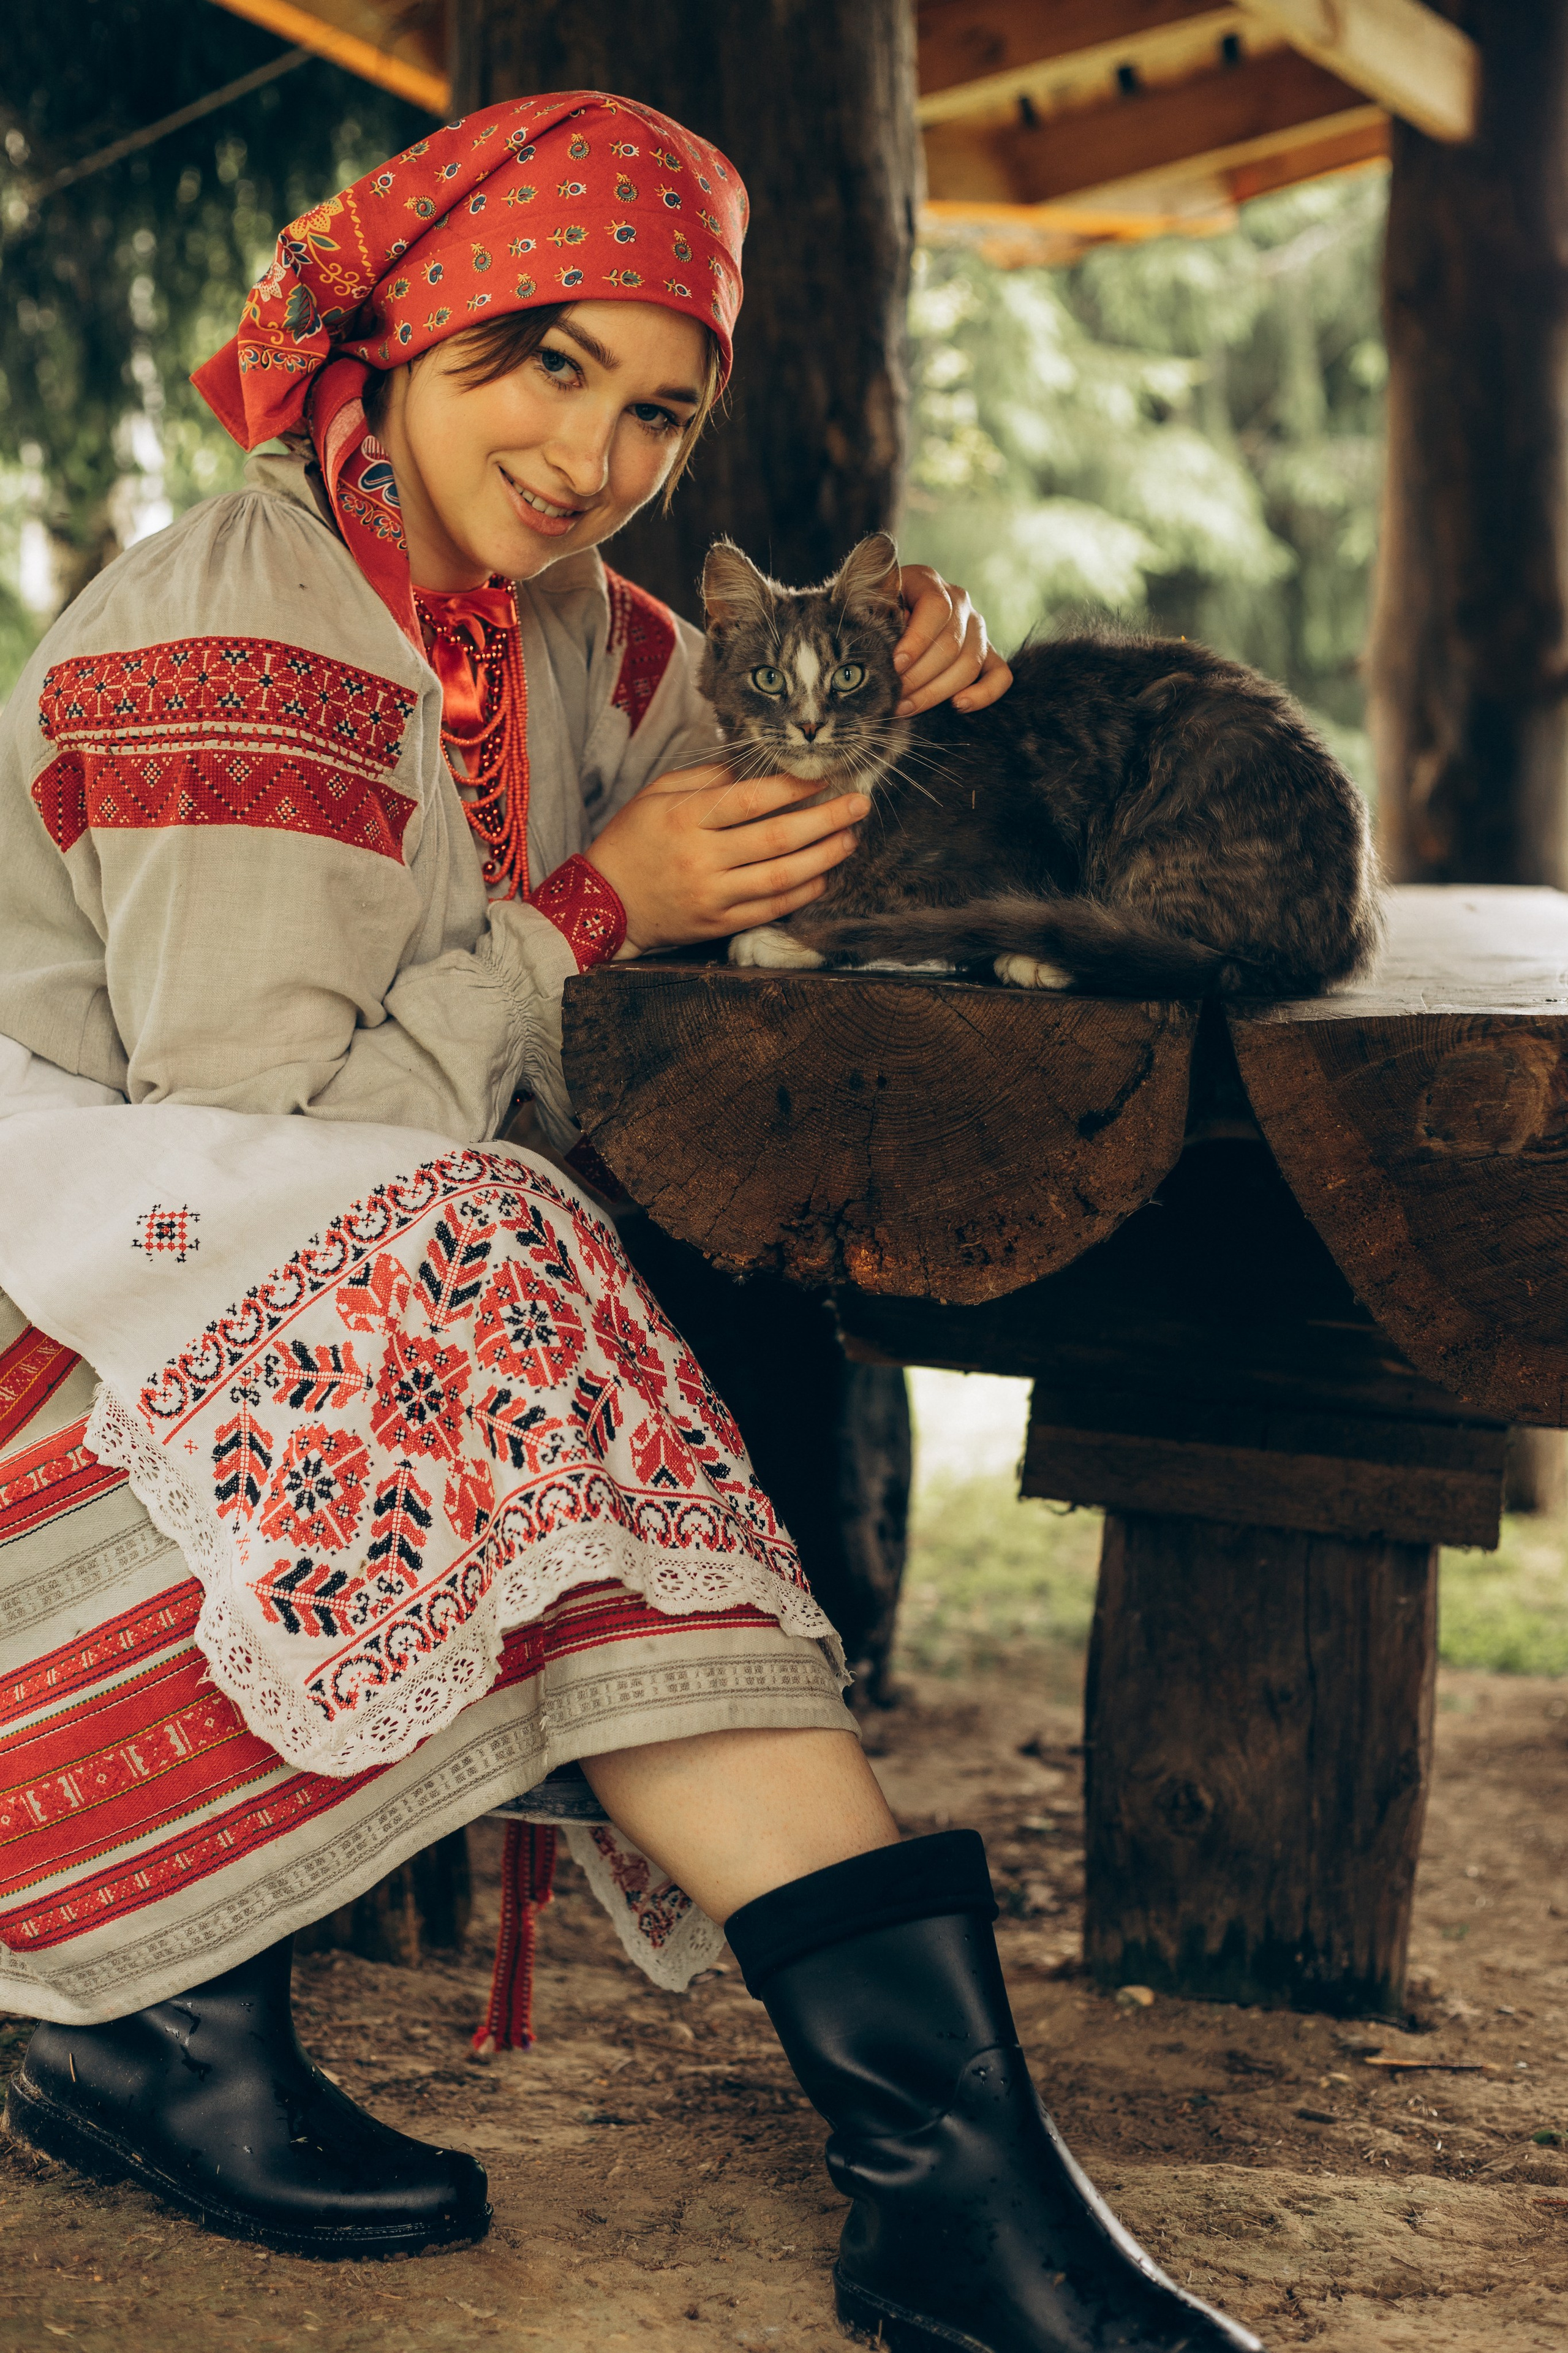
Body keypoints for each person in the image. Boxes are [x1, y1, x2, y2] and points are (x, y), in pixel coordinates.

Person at [0, 91, 1257, 2353]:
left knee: (522, 1316)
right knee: (496, 1274)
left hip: (191, 1323)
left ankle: (941, 2183)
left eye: (659, 406)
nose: (594, 454)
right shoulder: (237, 647)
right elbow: (256, 1157)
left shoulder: (545, 616)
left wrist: (897, 660)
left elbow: (769, 794)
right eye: (540, 362)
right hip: (63, 1333)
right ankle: (938, 2182)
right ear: (403, 341)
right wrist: (591, 907)